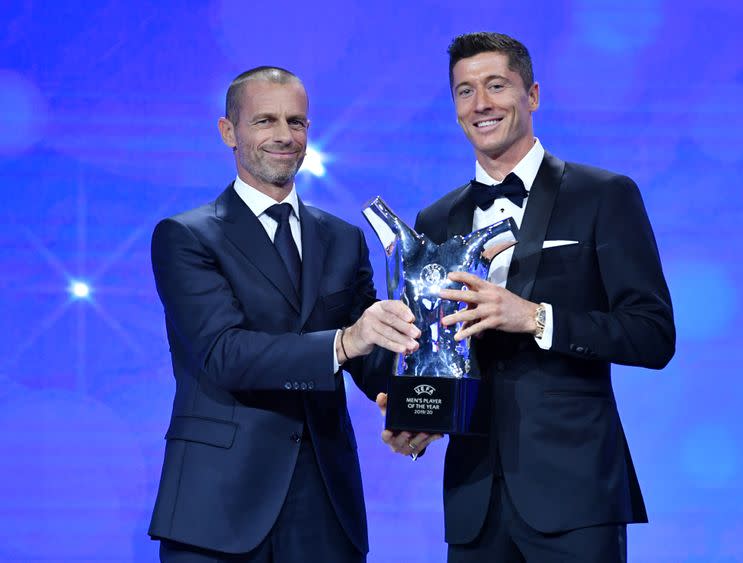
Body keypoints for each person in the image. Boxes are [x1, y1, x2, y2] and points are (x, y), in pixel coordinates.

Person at [378, 32, 676, 562]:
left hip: (575, 496)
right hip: (473, 502)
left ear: (532, 95)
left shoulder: (604, 195)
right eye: (465, 91)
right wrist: (420, 416)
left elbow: (652, 334)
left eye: (497, 86)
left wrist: (536, 318)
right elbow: (437, 353)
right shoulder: (434, 220)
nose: (481, 104)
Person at [148, 66, 418, 563]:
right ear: (228, 132)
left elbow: (371, 358)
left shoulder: (342, 238)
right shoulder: (185, 236)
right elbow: (224, 354)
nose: (283, 136)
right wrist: (342, 342)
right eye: (265, 121)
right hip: (217, 509)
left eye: (296, 122)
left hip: (325, 507)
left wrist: (417, 405)